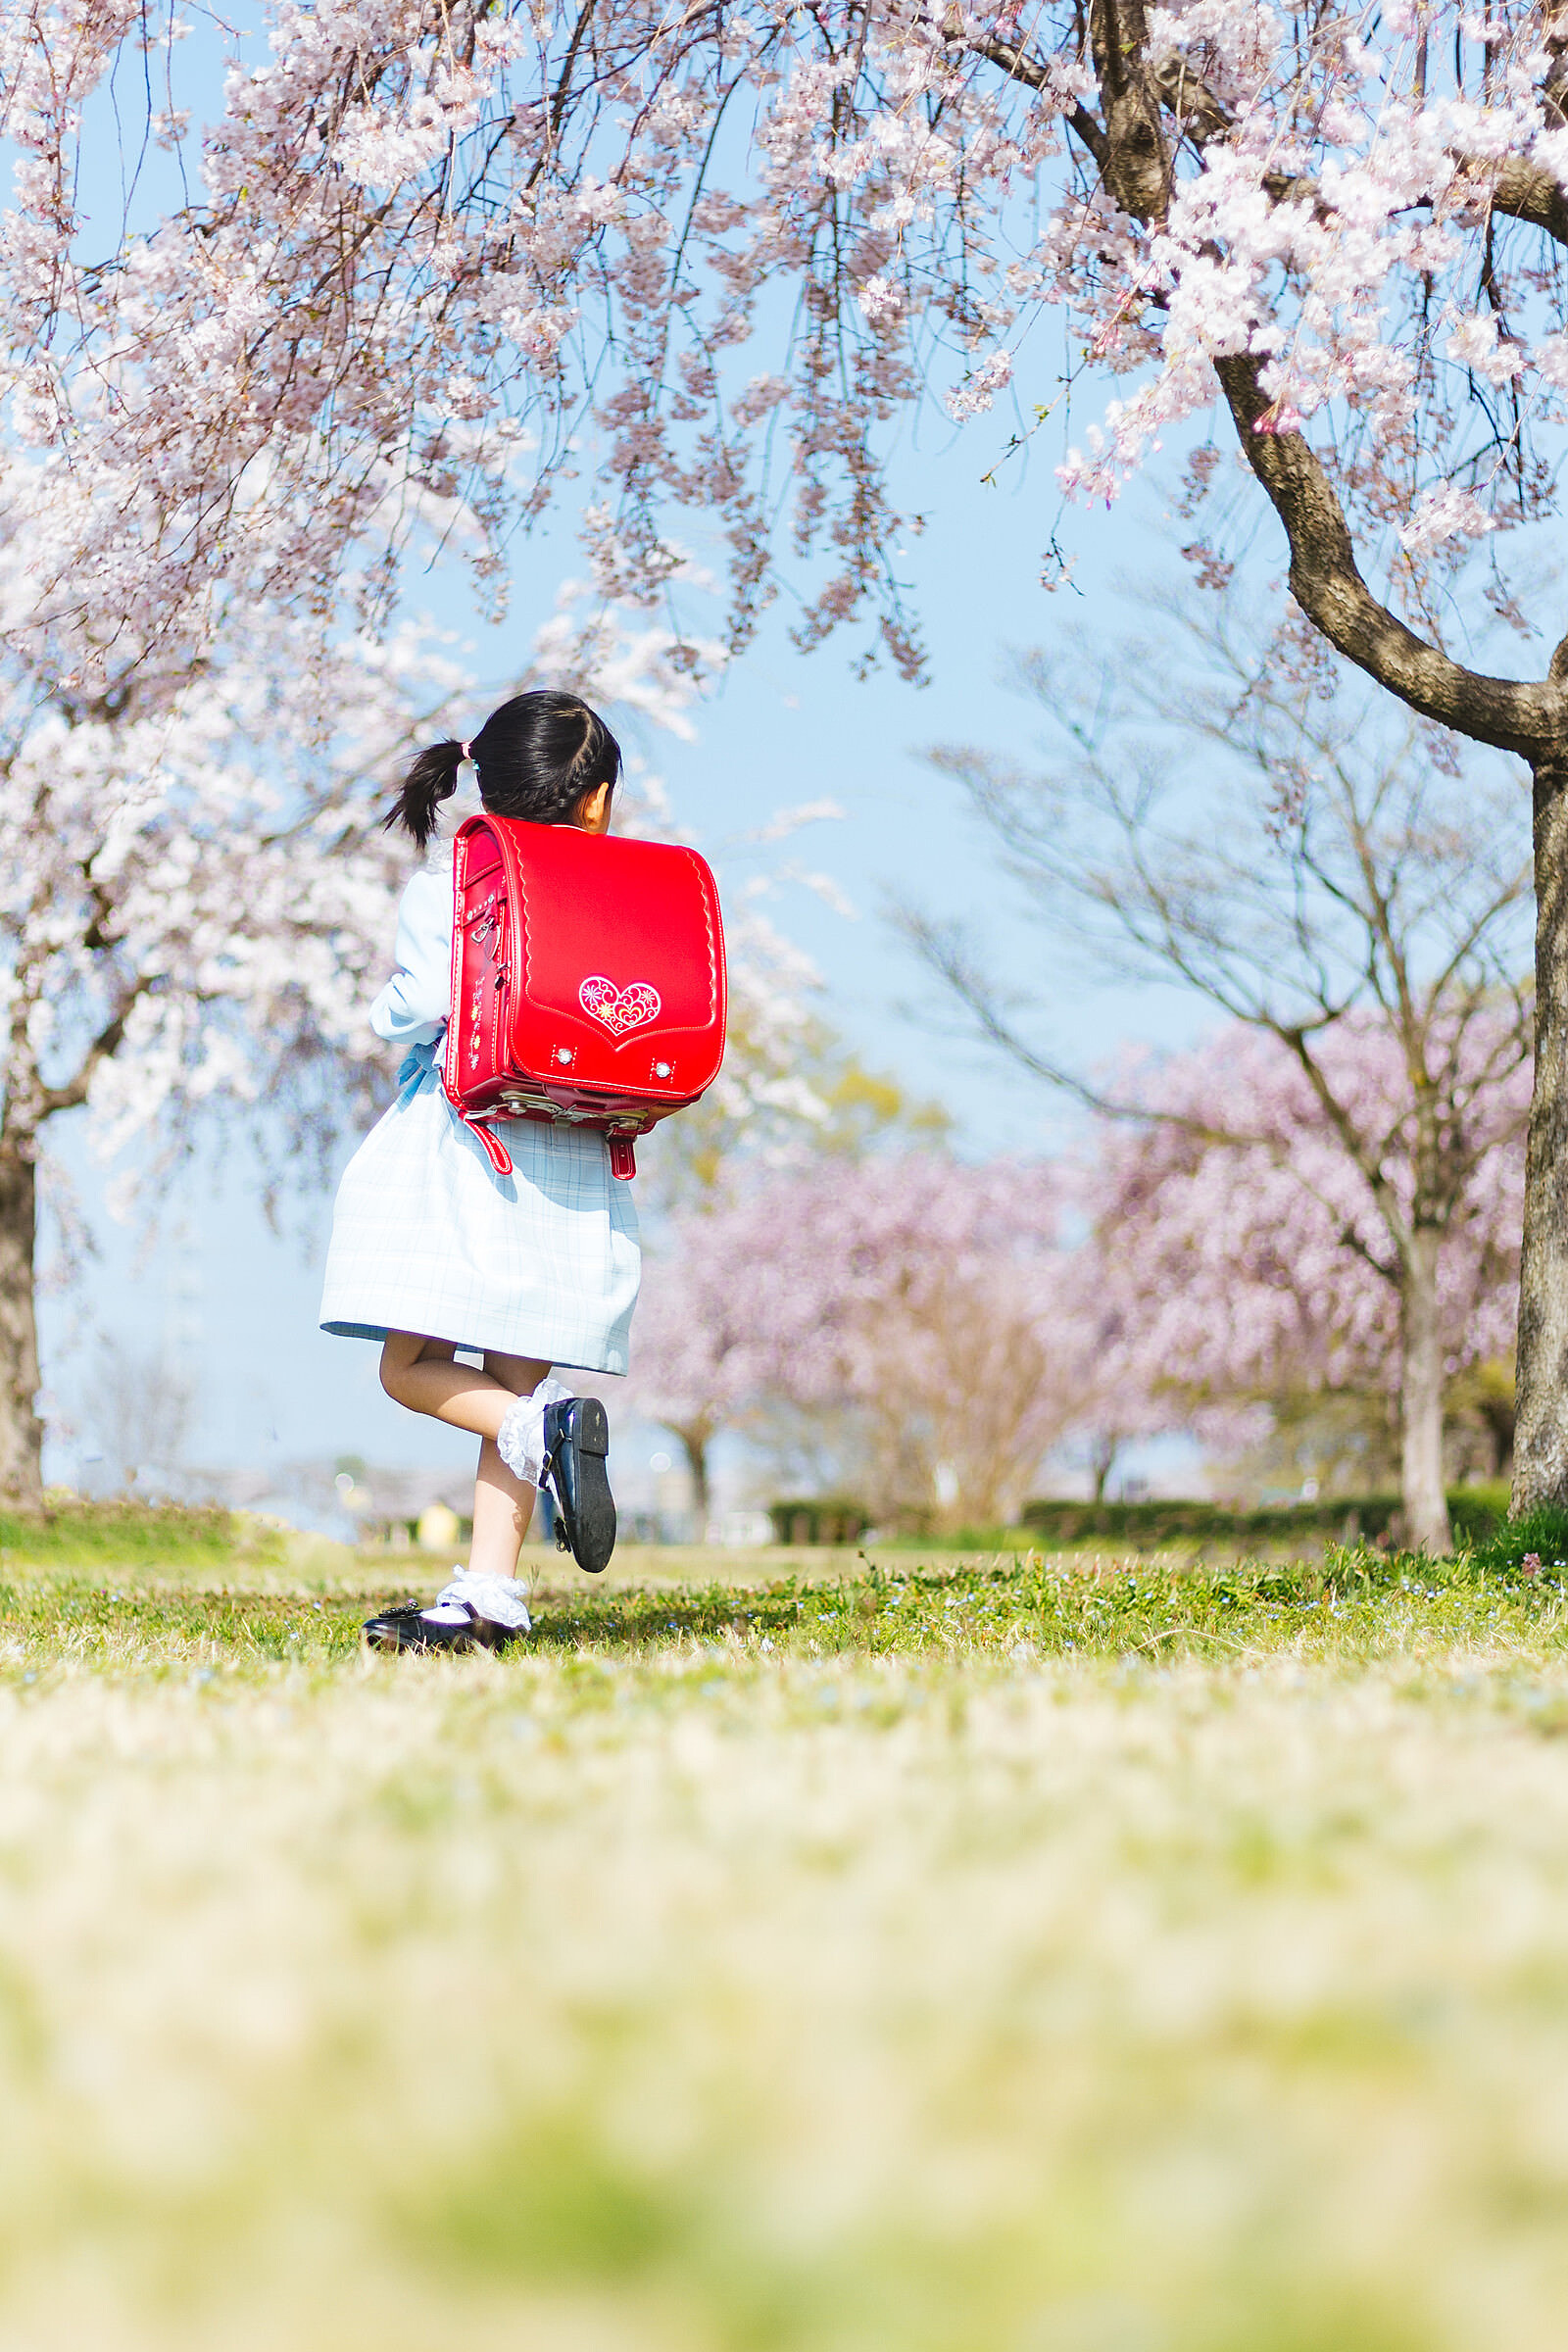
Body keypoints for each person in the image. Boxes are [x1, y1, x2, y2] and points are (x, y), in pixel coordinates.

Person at [318, 689, 640, 1652]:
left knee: (410, 1364)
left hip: (471, 1143)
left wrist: (391, 1011)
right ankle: (492, 1593)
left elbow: (416, 1005)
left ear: (489, 790)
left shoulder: (455, 882)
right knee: (519, 1378)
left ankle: (534, 1443)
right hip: (576, 1150)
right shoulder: (616, 883)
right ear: (594, 800)